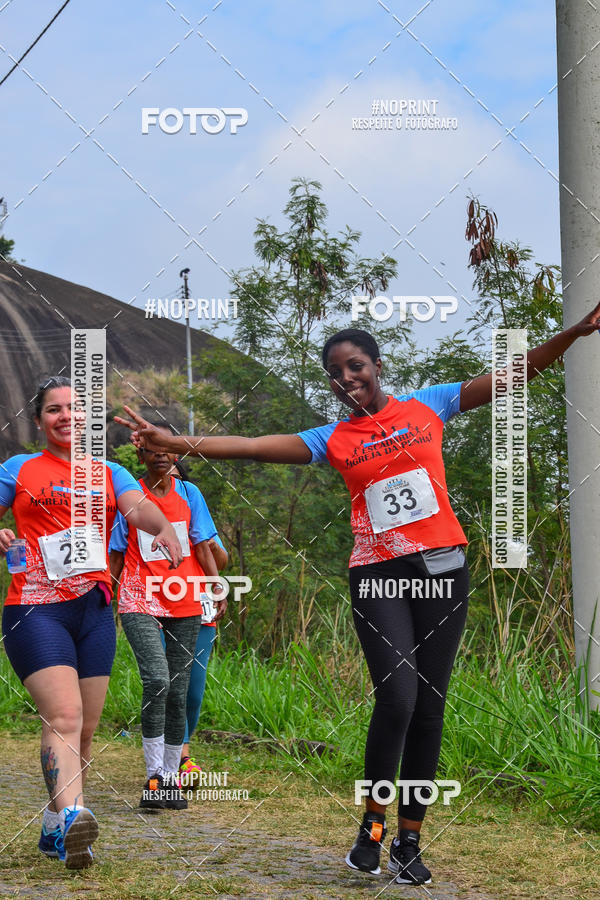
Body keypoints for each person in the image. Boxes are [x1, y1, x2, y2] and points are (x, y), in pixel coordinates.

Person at [115, 303, 600, 884]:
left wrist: (572, 333)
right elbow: (249, 443)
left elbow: (515, 374)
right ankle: (372, 824)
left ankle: (410, 839)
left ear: (375, 366)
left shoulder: (430, 403)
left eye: (356, 366)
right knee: (396, 700)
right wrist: (177, 441)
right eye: (336, 372)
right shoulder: (332, 438)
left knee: (429, 706)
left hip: (443, 571)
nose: (347, 378)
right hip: (377, 577)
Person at [0, 377, 182, 870]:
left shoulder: (108, 473)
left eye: (74, 410)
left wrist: (163, 529)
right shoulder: (19, 468)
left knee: (84, 730)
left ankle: (53, 822)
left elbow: (139, 509)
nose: (65, 417)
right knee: (63, 717)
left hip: (95, 608)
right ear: (39, 420)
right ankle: (76, 817)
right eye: (54, 409)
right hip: (35, 607)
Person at [108, 434, 225, 809]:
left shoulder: (190, 494)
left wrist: (216, 588)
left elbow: (203, 544)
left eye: (167, 449)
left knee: (178, 689)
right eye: (153, 450)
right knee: (157, 680)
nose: (161, 455)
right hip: (138, 597)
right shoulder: (131, 496)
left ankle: (171, 777)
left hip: (185, 600)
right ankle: (154, 775)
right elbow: (115, 553)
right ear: (140, 454)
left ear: (177, 453)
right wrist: (105, 599)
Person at [170, 460, 229, 787]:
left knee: (193, 687)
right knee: (165, 681)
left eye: (176, 476)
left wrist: (203, 542)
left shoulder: (193, 500)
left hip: (200, 605)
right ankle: (176, 756)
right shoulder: (140, 504)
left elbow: (220, 560)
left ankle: (181, 750)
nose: (170, 481)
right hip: (158, 601)